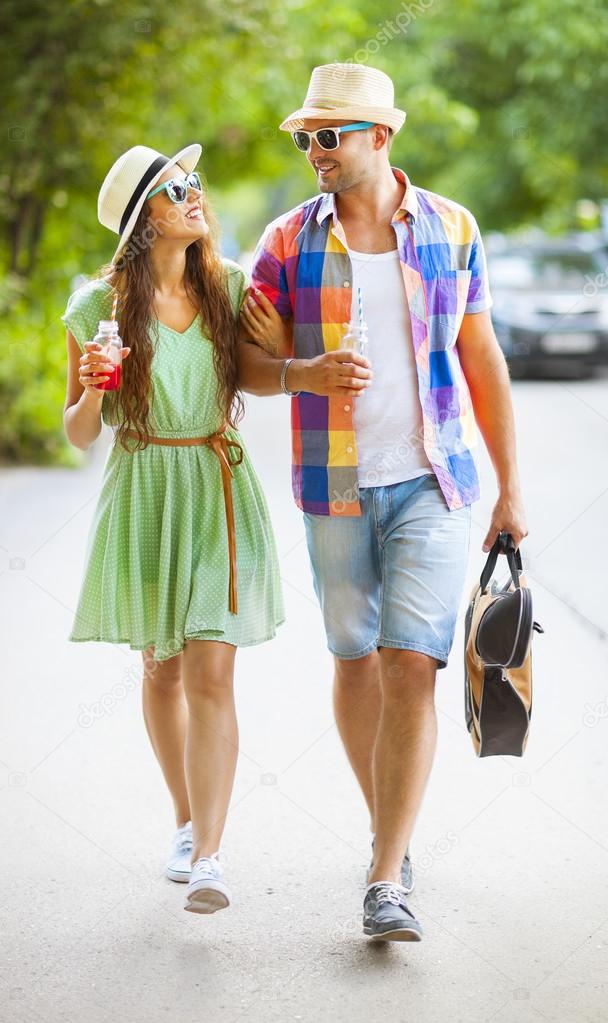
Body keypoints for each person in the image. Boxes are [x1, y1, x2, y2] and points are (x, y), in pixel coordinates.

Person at [239, 64, 528, 942]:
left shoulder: (451, 227)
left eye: (332, 135)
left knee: (414, 662)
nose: (316, 151)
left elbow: (482, 360)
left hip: (434, 481)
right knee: (355, 657)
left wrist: (511, 487)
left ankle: (383, 877)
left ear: (380, 137)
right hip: (333, 486)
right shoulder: (287, 242)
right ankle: (389, 837)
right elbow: (244, 365)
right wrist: (304, 374)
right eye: (307, 138)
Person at [62, 144, 284, 915]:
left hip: (216, 482)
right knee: (161, 668)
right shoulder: (95, 306)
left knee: (211, 670)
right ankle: (186, 821)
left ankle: (212, 857)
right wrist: (91, 388)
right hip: (144, 486)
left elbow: (268, 363)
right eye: (175, 189)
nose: (197, 195)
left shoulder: (225, 288)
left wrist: (290, 353)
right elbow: (79, 435)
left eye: (194, 185)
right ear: (141, 221)